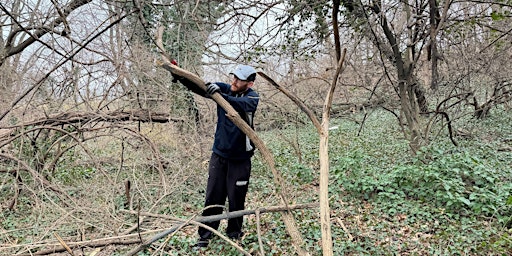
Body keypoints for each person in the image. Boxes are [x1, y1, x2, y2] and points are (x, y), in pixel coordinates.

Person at [174, 64, 259, 248]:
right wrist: (180, 77)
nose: (234, 81)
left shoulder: (252, 97)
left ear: (249, 84)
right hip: (219, 155)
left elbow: (244, 104)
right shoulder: (226, 88)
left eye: (239, 79)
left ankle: (234, 233)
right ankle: (205, 236)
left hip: (240, 159)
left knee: (237, 198)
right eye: (233, 77)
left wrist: (220, 97)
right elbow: (201, 87)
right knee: (213, 196)